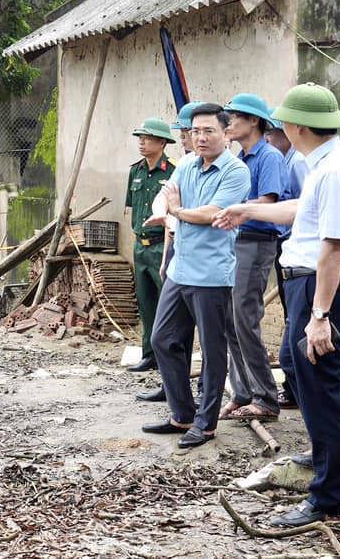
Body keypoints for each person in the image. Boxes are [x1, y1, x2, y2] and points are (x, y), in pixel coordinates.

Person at [215, 83, 340, 526]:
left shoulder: (336, 170)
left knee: (321, 391)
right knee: (311, 386)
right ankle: (325, 474)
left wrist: (320, 315)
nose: (281, 125)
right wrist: (250, 210)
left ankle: (326, 499)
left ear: (298, 126)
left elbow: (334, 248)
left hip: (321, 289)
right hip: (309, 286)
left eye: (284, 119)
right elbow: (303, 210)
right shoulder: (322, 165)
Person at [140, 103, 250, 448]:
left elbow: (212, 214)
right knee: (162, 339)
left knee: (213, 351)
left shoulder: (235, 171)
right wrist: (164, 212)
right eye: (194, 131)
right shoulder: (186, 164)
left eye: (208, 131)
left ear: (226, 132)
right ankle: (182, 413)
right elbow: (164, 195)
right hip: (180, 268)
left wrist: (176, 211)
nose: (200, 138)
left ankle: (206, 423)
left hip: (212, 274)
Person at [220, 94, 286, 422]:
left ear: (254, 122)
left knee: (245, 318)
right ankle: (242, 391)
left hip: (258, 241)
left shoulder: (269, 157)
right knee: (232, 320)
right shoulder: (240, 158)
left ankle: (266, 398)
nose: (229, 123)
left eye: (235, 117)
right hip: (238, 239)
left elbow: (269, 202)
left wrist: (237, 210)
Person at [137, 101, 203, 403]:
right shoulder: (186, 167)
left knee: (200, 328)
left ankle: (202, 387)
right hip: (170, 249)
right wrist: (166, 257)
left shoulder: (213, 169)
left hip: (201, 258)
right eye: (187, 132)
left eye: (187, 132)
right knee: (164, 323)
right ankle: (171, 385)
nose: (187, 138)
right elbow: (166, 211)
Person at [125, 118, 177, 373]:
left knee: (167, 304)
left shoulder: (173, 173)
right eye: (140, 138)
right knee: (146, 303)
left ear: (162, 142)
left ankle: (169, 355)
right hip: (140, 246)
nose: (142, 142)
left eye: (147, 138)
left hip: (161, 244)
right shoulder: (135, 171)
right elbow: (132, 210)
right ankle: (149, 354)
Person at [264, 116, 308, 410]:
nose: (268, 139)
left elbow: (304, 209)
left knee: (297, 321)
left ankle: (297, 390)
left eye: (272, 133)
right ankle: (293, 389)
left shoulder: (298, 163)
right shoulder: (286, 160)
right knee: (292, 317)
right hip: (288, 248)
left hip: (301, 252)